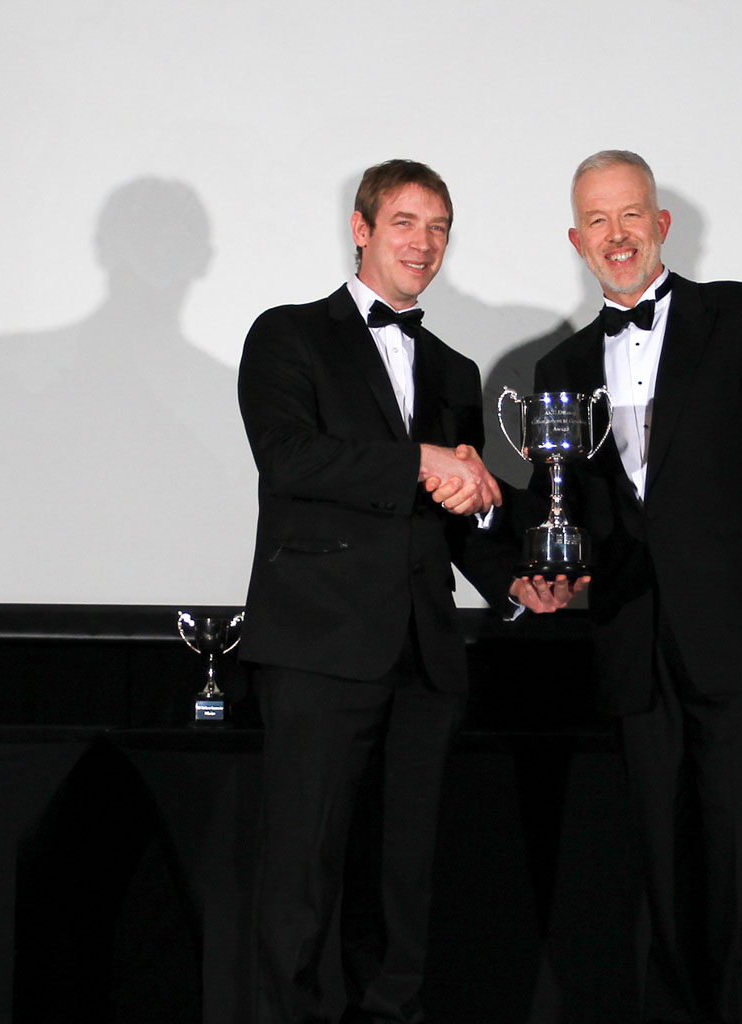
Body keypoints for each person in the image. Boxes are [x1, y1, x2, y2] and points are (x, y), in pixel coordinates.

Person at [237, 159, 553, 1024]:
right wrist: (420, 459)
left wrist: (513, 581)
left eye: (439, 227)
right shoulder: (289, 335)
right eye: (406, 222)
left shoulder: (453, 369)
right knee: (302, 877)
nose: (424, 243)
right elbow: (290, 457)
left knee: (402, 884)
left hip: (422, 656)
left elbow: (454, 517)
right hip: (319, 648)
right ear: (362, 228)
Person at [530, 150, 742, 1024]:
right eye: (598, 221)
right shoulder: (561, 369)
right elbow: (570, 511)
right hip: (634, 643)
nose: (617, 235)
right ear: (577, 241)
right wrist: (543, 569)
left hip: (740, 638)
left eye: (631, 214)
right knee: (661, 870)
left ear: (660, 224)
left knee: (741, 863)